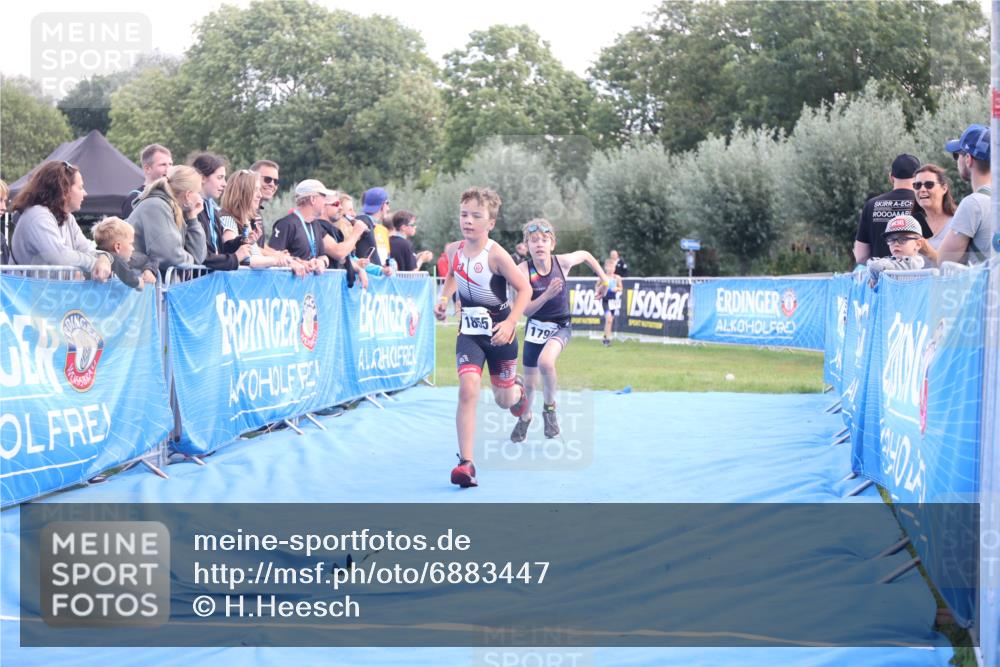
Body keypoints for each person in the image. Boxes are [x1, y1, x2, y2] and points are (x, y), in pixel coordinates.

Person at [434, 187, 532, 488]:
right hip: (470, 335)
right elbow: (452, 274)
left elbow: (525, 289)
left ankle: (518, 393)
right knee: (468, 388)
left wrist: (511, 322)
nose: (469, 220)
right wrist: (443, 297)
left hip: (500, 336)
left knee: (504, 401)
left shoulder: (497, 255)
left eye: (477, 216)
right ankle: (466, 463)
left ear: (490, 223)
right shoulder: (454, 250)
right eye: (464, 214)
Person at [509, 219, 608, 442]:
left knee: (546, 363)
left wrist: (604, 279)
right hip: (535, 327)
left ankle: (550, 409)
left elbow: (584, 254)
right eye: (534, 241)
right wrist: (546, 295)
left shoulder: (561, 263)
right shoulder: (522, 271)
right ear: (527, 246)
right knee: (530, 384)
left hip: (560, 326)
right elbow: (526, 311)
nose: (539, 244)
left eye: (544, 240)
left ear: (552, 244)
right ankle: (525, 418)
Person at [9, 161, 113, 280]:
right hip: (27, 296)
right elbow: (59, 256)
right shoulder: (37, 216)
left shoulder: (67, 217)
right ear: (64, 190)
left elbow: (86, 249)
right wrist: (95, 262)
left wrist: (104, 258)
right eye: (80, 187)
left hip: (46, 295)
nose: (85, 193)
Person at [127, 165, 208, 274]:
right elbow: (170, 256)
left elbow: (198, 257)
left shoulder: (172, 208)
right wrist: (191, 261)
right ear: (188, 195)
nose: (200, 198)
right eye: (198, 192)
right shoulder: (157, 206)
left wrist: (192, 217)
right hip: (141, 285)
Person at [219, 170, 304, 272]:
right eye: (256, 190)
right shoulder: (228, 218)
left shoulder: (244, 220)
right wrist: (276, 260)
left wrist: (282, 259)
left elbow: (254, 256)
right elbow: (243, 258)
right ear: (242, 192)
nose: (259, 195)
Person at [853, 153, 932, 263]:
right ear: (917, 178)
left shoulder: (871, 205)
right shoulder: (923, 203)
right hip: (915, 276)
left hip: (882, 277)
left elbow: (861, 256)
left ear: (891, 177)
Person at [939, 125, 993, 265]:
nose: (957, 160)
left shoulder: (974, 204)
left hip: (986, 286)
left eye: (957, 154)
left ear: (968, 159)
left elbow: (944, 261)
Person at [267, 179, 332, 273]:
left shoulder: (316, 224)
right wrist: (294, 263)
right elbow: (273, 257)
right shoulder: (286, 224)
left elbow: (322, 255)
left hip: (309, 286)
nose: (325, 202)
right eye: (323, 196)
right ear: (313, 199)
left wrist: (322, 263)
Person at [316, 191, 367, 287]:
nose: (340, 208)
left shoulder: (335, 231)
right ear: (323, 206)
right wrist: (356, 232)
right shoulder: (318, 227)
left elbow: (345, 258)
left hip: (337, 289)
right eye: (336, 204)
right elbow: (338, 252)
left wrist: (359, 269)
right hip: (324, 287)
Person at [91, 216, 157, 290]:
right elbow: (115, 260)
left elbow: (150, 259)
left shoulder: (129, 258)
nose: (133, 248)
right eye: (130, 243)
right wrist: (138, 282)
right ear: (118, 247)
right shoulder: (106, 259)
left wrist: (148, 270)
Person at [910, 163, 956, 266]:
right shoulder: (914, 224)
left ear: (944, 188)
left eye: (929, 184)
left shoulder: (956, 223)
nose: (922, 189)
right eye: (917, 185)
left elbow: (958, 267)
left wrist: (928, 252)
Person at [865, 215, 926, 287]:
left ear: (918, 244)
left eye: (903, 239)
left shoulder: (914, 263)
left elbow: (875, 266)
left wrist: (874, 277)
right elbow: (871, 262)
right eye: (891, 240)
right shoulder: (893, 261)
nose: (896, 244)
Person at [122, 144, 172, 218]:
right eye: (163, 165)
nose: (169, 169)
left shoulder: (172, 196)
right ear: (147, 168)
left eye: (170, 164)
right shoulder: (135, 198)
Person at [250, 159, 280, 248]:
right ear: (252, 179)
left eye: (276, 181)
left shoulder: (257, 210)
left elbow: (259, 245)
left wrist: (280, 254)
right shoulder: (243, 210)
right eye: (268, 179)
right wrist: (278, 258)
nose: (272, 184)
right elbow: (250, 248)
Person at [597, 257, 621, 346]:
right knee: (609, 319)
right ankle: (607, 339)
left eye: (612, 267)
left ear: (614, 268)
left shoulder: (617, 278)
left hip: (614, 301)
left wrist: (617, 289)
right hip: (605, 300)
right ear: (605, 267)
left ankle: (605, 336)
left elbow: (621, 288)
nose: (611, 269)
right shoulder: (603, 277)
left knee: (610, 321)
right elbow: (596, 287)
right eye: (609, 267)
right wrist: (599, 291)